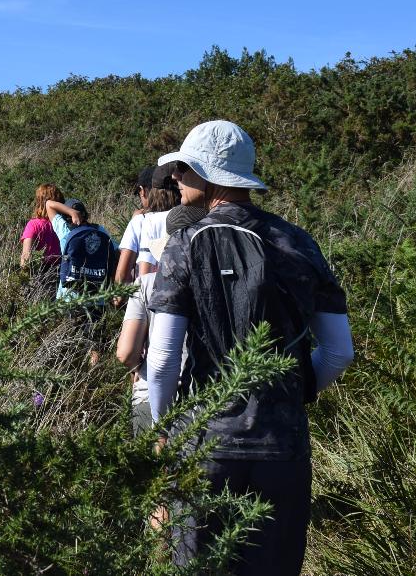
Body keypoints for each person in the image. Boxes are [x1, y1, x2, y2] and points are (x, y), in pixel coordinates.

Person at [145, 120, 354, 575]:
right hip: (284, 447)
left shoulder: (184, 244)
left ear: (208, 176)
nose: (175, 179)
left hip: (205, 445)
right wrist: (288, 391)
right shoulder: (298, 242)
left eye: (182, 169)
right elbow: (339, 351)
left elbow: (161, 362)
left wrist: (164, 431)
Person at [115, 204, 206, 433]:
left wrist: (138, 367)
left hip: (149, 396)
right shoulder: (215, 285)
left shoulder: (145, 284)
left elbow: (126, 353)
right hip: (203, 398)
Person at [20, 184, 64, 271]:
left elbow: (26, 258)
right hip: (62, 271)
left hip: (41, 274)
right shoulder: (63, 224)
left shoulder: (34, 225)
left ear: (39, 202)